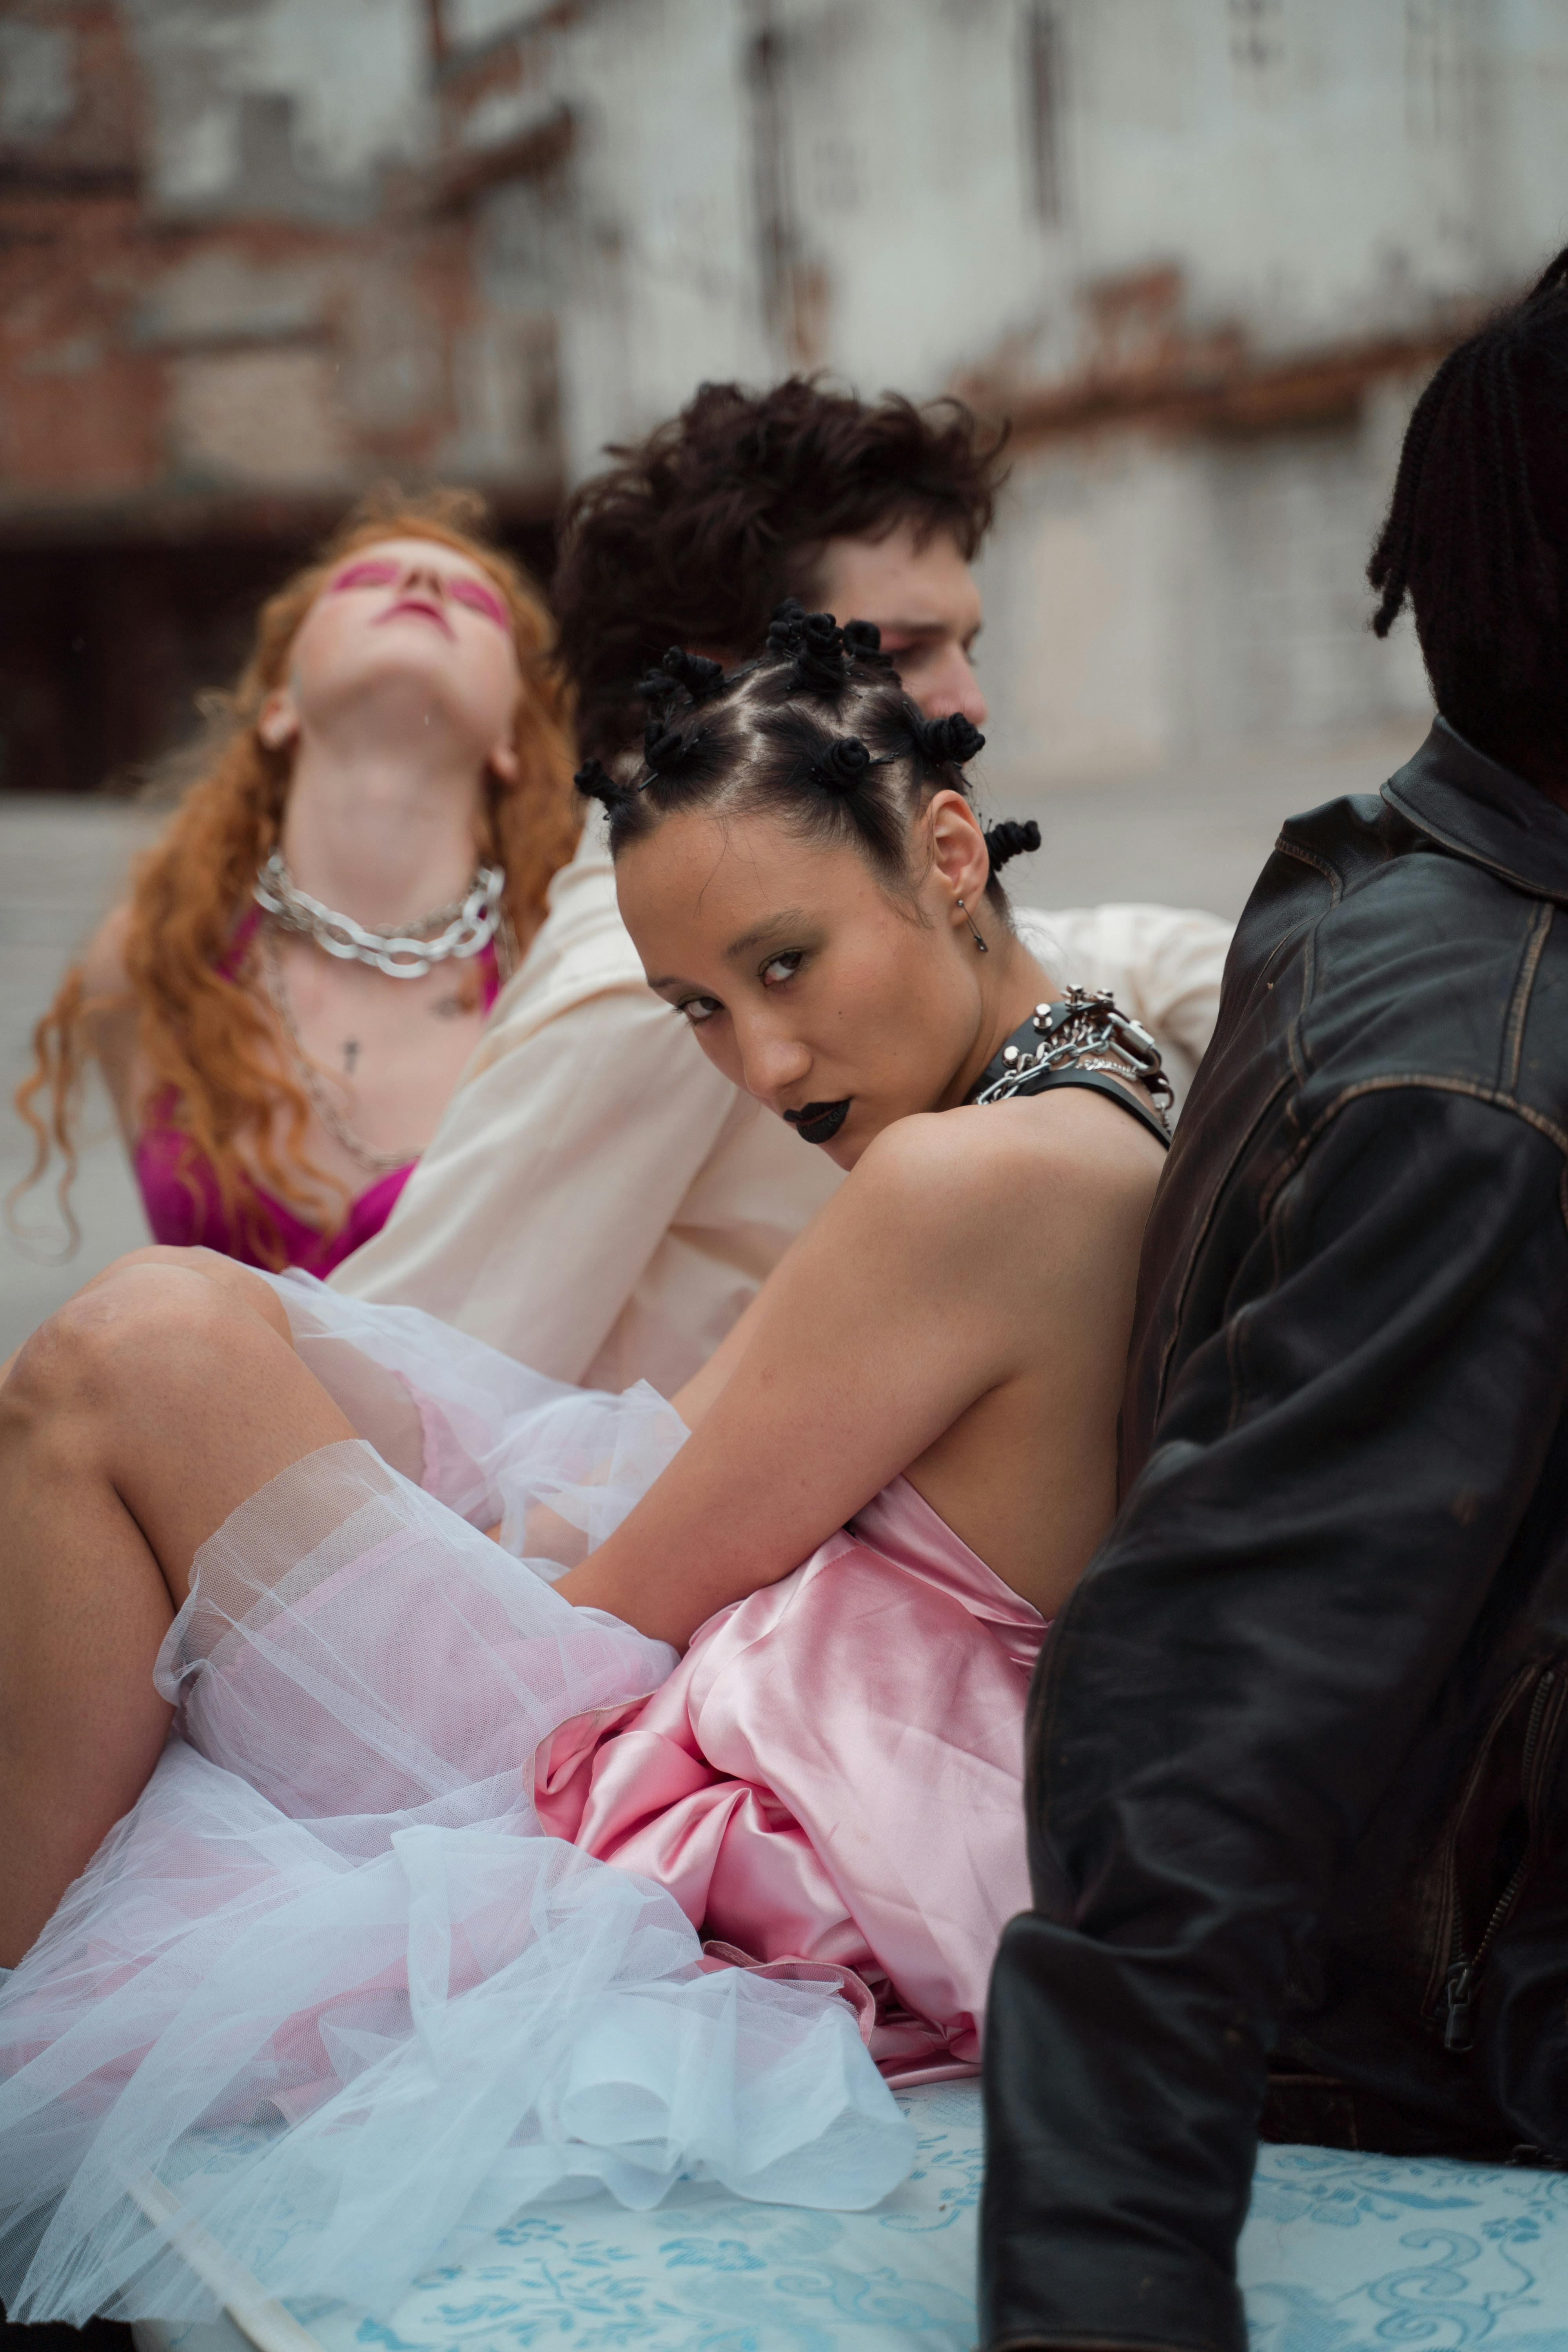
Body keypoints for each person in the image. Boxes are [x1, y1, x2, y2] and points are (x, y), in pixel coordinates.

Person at [0, 611, 1169, 2326]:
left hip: (724, 1820)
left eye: (786, 967)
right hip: (794, 1740)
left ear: (945, 853)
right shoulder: (1090, 1088)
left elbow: (619, 1603)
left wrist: (315, 1533)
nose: (762, 1068)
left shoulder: (970, 1185)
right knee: (230, 1353)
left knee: (128, 1357)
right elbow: (668, 1476)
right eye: (699, 1009)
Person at [981, 251, 1568, 2352]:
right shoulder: (1480, 1086)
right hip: (1466, 2027)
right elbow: (1201, 1719)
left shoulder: (1416, 861)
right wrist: (1106, 2301)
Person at [332, 379, 1231, 1392]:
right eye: (903, 650)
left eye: (968, 645)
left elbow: (1099, 954)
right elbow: (400, 1375)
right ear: (726, 685)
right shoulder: (630, 994)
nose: (970, 701)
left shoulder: (884, 912)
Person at [12, 490, 577, 1278]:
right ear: (279, 705)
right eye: (368, 581)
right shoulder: (152, 962)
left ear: (512, 740)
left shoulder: (572, 963)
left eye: (473, 601)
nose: (418, 581)